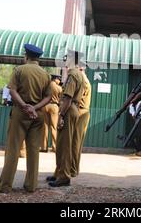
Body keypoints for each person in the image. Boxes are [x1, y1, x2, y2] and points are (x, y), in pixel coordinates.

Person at [0, 44, 51, 193]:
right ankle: (31, 185)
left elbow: (12, 91)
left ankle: (5, 185)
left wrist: (25, 106)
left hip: (20, 112)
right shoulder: (46, 74)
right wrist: (34, 108)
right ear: (38, 57)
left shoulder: (19, 70)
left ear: (26, 55)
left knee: (13, 149)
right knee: (33, 150)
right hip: (38, 114)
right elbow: (48, 97)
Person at [47, 50, 86, 187]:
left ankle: (64, 176)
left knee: (64, 145)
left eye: (67, 59)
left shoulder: (73, 74)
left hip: (68, 110)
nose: (65, 61)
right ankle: (59, 173)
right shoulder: (79, 74)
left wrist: (61, 115)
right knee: (64, 143)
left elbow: (68, 98)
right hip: (72, 109)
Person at [70, 65, 91, 177]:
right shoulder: (84, 80)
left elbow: (74, 97)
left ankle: (72, 169)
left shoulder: (83, 81)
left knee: (75, 143)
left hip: (81, 112)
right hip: (81, 111)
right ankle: (73, 168)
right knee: (75, 142)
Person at [42, 75, 62, 153]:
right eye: (59, 79)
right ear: (55, 79)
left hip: (45, 106)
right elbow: (61, 99)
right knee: (54, 127)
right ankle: (55, 147)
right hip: (54, 106)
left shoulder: (46, 86)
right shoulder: (59, 88)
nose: (59, 81)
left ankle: (44, 147)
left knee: (45, 126)